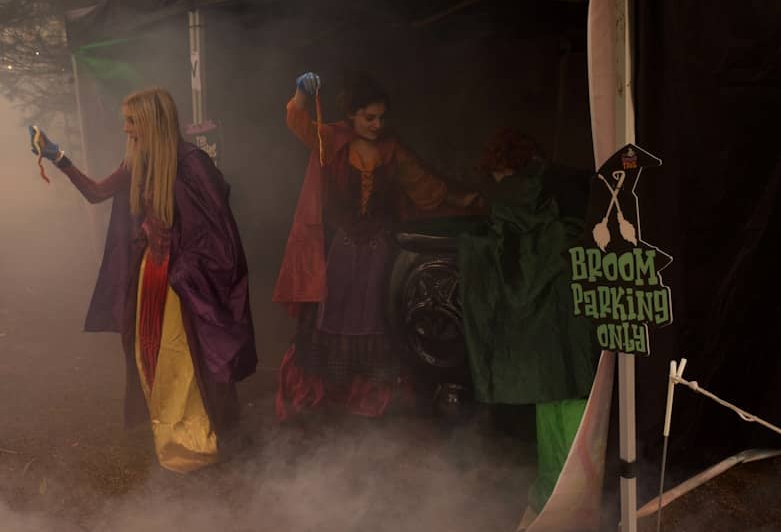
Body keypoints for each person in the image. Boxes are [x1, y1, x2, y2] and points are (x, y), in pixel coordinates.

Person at [27, 88, 257, 473]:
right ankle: (168, 430)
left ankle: (197, 438)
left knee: (183, 360)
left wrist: (185, 271)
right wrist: (58, 157)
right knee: (149, 355)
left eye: (132, 121)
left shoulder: (192, 164)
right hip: (152, 274)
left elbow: (219, 233)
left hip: (185, 284)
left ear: (152, 122)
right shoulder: (139, 161)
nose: (126, 128)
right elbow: (97, 193)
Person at [273, 72, 477, 420]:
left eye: (382, 117)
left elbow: (425, 186)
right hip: (341, 251)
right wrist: (301, 92)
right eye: (370, 117)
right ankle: (330, 393)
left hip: (379, 253)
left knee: (376, 316)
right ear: (351, 114)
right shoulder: (331, 140)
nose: (378, 124)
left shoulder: (391, 150)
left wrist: (464, 199)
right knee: (332, 316)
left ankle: (368, 396)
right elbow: (296, 119)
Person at [457, 127, 598, 519]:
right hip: (573, 328)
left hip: (542, 335)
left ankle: (554, 509)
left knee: (556, 424)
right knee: (572, 421)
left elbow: (513, 270)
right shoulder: (572, 189)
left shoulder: (512, 200)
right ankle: (567, 508)